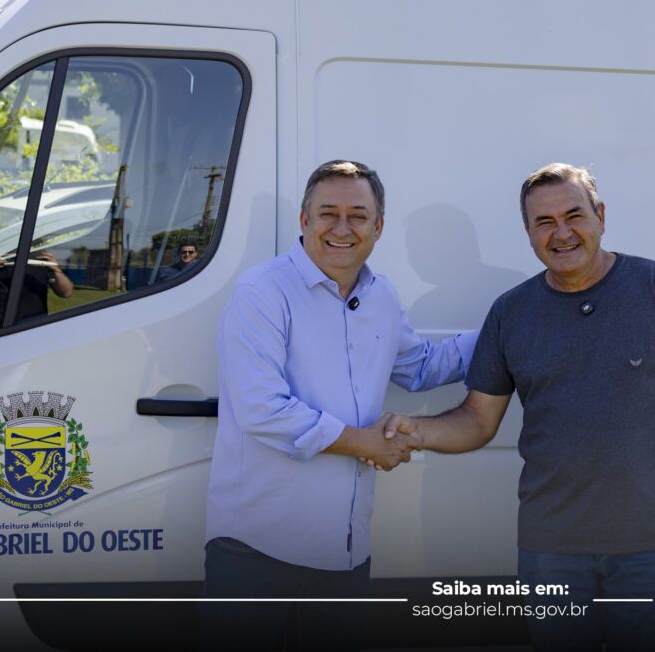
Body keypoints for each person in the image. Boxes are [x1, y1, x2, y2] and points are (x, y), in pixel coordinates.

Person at [380, 163, 655, 652]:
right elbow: (477, 420)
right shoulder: (511, 312)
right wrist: (414, 430)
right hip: (550, 554)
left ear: (600, 217)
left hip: (654, 549)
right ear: (527, 232)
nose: (562, 233)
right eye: (544, 222)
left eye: (574, 216)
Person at [201, 160, 477, 651]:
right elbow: (262, 408)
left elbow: (421, 368)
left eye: (358, 216)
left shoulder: (382, 295)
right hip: (257, 549)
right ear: (304, 220)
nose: (342, 228)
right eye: (328, 213)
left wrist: (508, 325)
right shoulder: (262, 292)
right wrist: (364, 444)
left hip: (345, 552)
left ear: (379, 226)